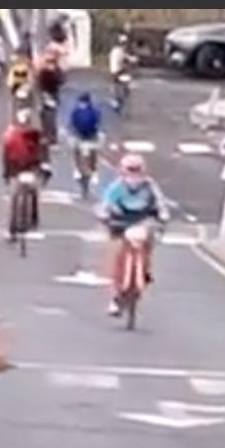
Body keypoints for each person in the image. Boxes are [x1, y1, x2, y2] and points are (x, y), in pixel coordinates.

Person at [97, 153, 170, 316]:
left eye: (137, 170)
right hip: (120, 222)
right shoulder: (117, 187)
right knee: (118, 253)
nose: (134, 175)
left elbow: (160, 202)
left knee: (147, 243)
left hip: (143, 222)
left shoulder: (150, 186)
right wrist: (104, 214)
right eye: (130, 170)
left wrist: (163, 215)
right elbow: (106, 203)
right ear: (122, 170)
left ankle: (144, 270)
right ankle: (117, 294)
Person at [2, 108, 48, 231]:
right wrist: (43, 169)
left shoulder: (10, 134)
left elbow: (6, 156)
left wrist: (6, 173)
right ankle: (33, 220)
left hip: (16, 171)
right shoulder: (35, 135)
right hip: (28, 170)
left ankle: (14, 223)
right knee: (32, 194)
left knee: (16, 196)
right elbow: (43, 153)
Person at [69, 92, 103, 182]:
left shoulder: (80, 111)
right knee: (82, 152)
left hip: (87, 134)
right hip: (86, 134)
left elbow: (72, 123)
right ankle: (82, 171)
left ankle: (90, 171)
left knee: (89, 153)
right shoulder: (92, 111)